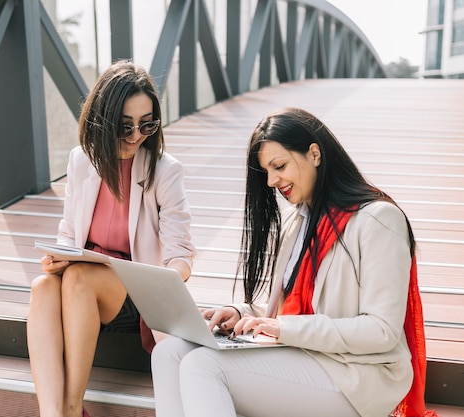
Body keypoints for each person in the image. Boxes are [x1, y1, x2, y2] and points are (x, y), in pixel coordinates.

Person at [151, 107, 437, 417]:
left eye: (279, 166)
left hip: (356, 375)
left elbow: (381, 330)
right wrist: (240, 314)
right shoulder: (296, 221)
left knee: (202, 365)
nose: (272, 181)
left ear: (314, 154)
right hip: (301, 356)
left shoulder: (378, 220)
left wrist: (281, 328)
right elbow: (289, 309)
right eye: (267, 172)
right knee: (169, 352)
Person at [26, 60, 196, 417]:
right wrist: (57, 256)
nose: (136, 136)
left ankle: (73, 408)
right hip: (83, 282)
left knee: (78, 277)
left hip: (136, 294)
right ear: (101, 121)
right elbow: (69, 233)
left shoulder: (165, 171)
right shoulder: (81, 161)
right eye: (125, 126)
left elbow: (181, 254)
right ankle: (52, 414)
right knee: (43, 286)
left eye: (147, 124)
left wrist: (168, 275)